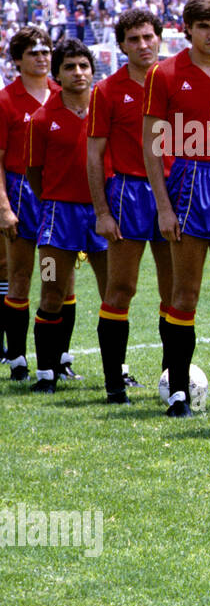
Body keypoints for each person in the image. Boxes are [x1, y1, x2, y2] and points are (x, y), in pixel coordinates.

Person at [142, 0, 210, 417]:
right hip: (188, 182)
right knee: (184, 293)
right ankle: (179, 392)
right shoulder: (165, 74)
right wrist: (164, 207)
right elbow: (151, 145)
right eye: (203, 26)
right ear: (187, 30)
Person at [87, 9, 173, 404]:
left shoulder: (175, 81)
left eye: (148, 37)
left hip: (176, 192)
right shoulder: (107, 91)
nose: (143, 45)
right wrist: (102, 212)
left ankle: (173, 382)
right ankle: (114, 383)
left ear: (160, 38)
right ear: (121, 45)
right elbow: (94, 154)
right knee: (121, 288)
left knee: (176, 292)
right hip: (130, 194)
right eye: (134, 39)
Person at [26, 40, 107, 393]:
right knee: (51, 289)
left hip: (104, 215)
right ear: (57, 73)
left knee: (114, 292)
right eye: (70, 67)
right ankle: (46, 373)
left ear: (92, 70)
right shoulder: (43, 118)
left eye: (84, 66)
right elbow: (33, 172)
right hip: (58, 218)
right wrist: (55, 199)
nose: (78, 73)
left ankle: (117, 370)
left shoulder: (107, 111)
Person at [0, 27, 61, 382]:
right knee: (20, 276)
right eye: (34, 52)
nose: (42, 57)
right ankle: (18, 357)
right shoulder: (7, 100)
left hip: (57, 200)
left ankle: (59, 357)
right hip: (22, 195)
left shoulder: (62, 93)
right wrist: (4, 207)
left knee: (54, 275)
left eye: (46, 50)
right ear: (18, 60)